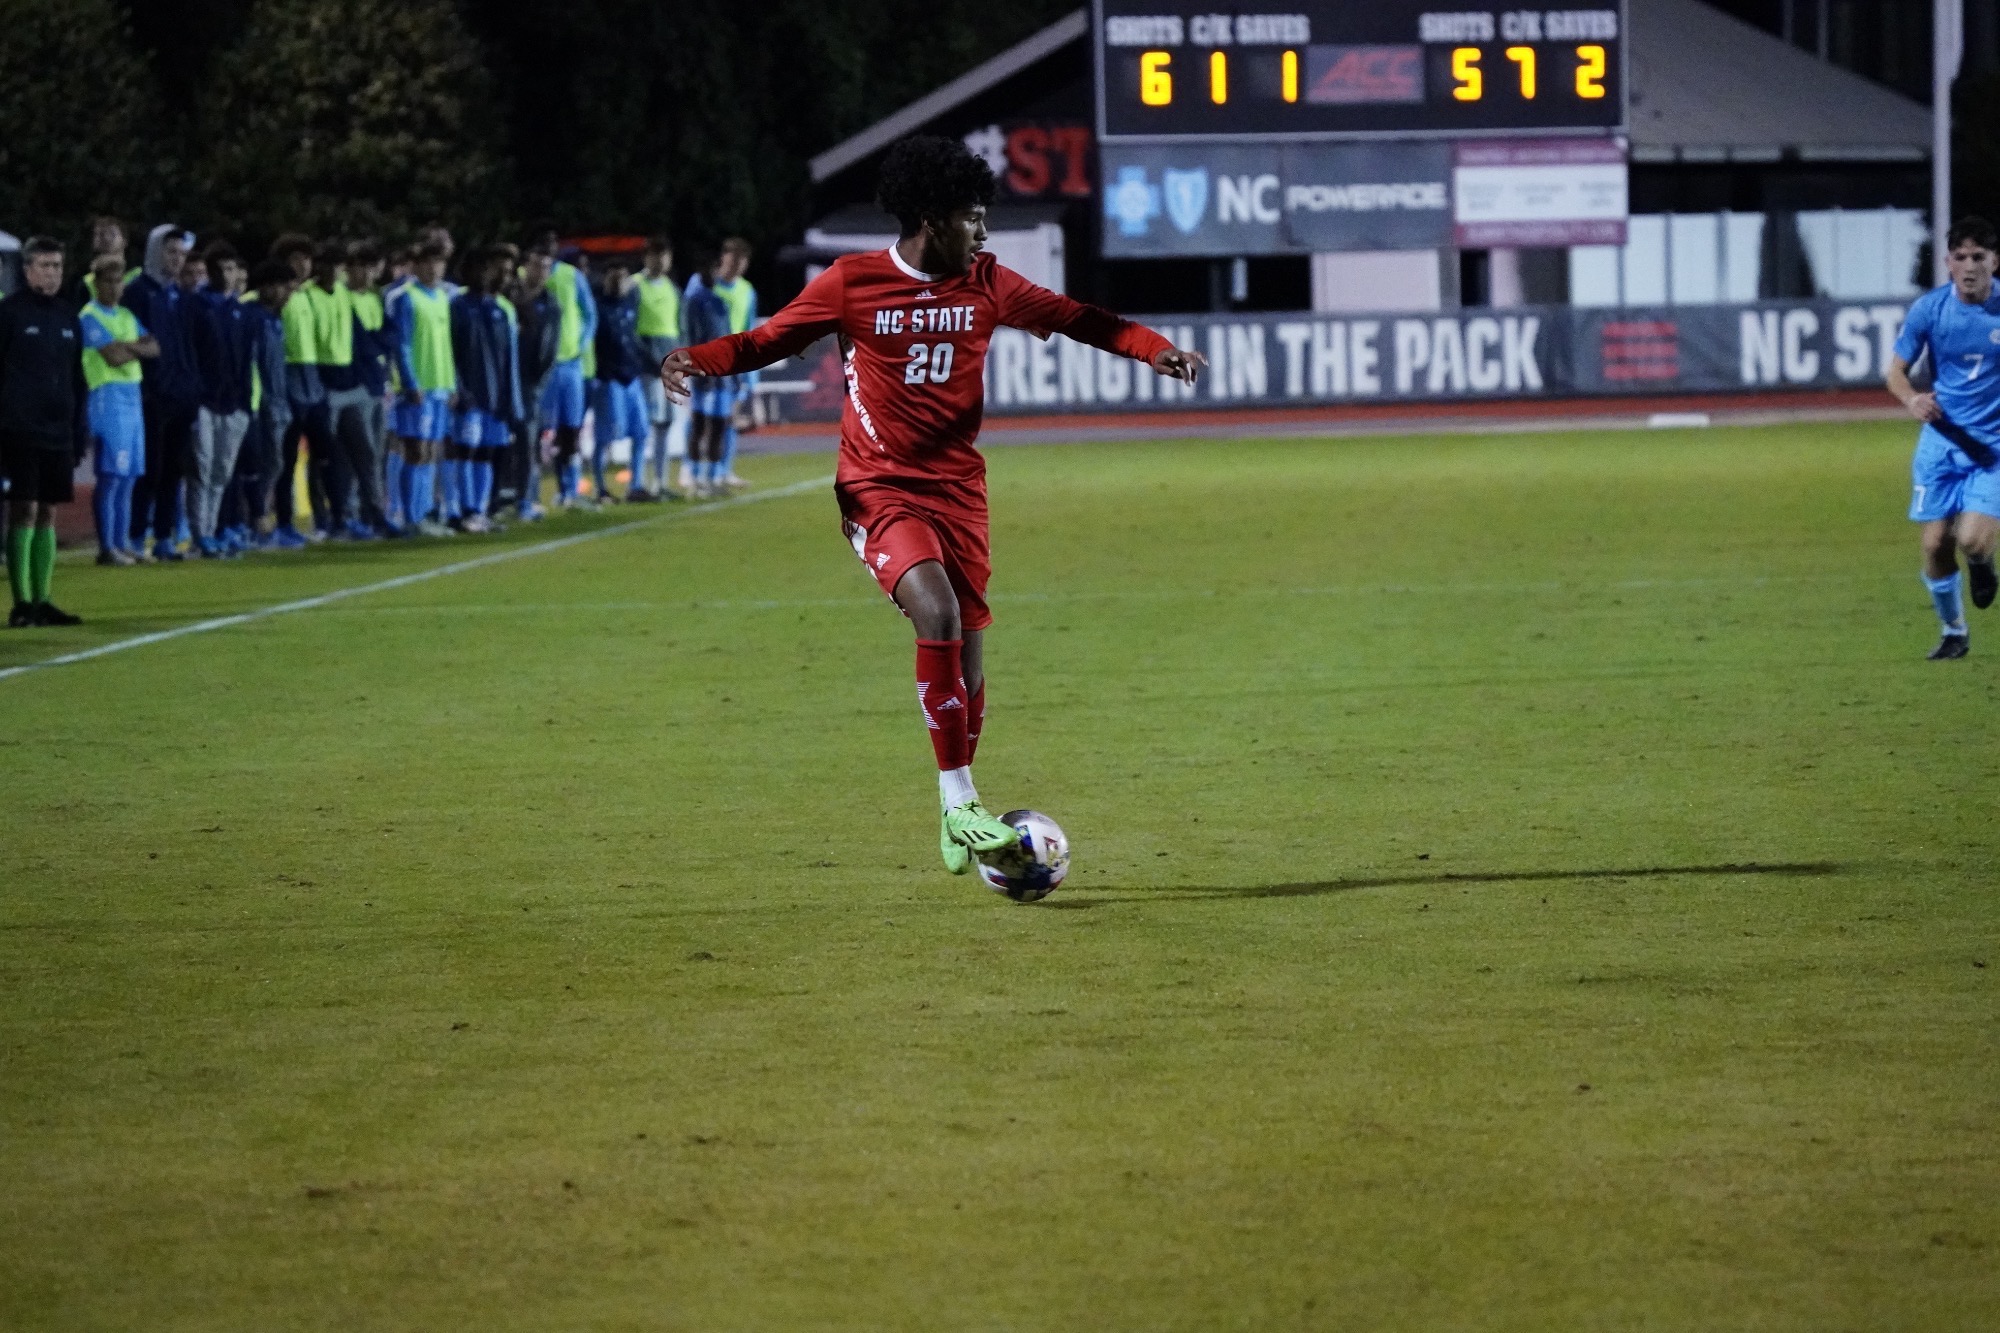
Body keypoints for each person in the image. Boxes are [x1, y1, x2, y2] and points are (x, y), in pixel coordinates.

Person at [663, 135, 1205, 873]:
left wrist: (1153, 347)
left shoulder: (987, 283)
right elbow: (769, 341)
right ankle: (958, 799)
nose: (984, 233)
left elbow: (1080, 317)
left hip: (959, 493)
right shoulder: (851, 283)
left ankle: (959, 813)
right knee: (938, 611)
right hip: (876, 488)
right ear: (930, 218)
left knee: (970, 668)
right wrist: (696, 357)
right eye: (974, 217)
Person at [1886, 215, 2000, 660]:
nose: (1969, 266)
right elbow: (1895, 373)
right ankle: (1954, 631)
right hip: (1941, 443)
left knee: (1970, 540)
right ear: (1947, 263)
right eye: (1960, 257)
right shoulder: (1930, 310)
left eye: (1979, 257)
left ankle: (1981, 563)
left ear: (1996, 261)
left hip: (1992, 449)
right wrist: (1913, 400)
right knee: (1934, 545)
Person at [0, 237, 90, 626]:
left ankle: (43, 598)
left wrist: (77, 425)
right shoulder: (9, 314)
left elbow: (76, 377)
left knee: (49, 511)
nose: (52, 273)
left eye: (57, 266)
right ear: (27, 269)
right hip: (19, 429)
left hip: (58, 429)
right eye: (45, 265)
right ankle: (21, 603)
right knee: (25, 508)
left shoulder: (69, 316)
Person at [122, 224, 201, 562]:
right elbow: (136, 344)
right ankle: (136, 535)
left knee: (173, 469)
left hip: (181, 395)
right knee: (149, 469)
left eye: (182, 255)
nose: (177, 261)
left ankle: (164, 537)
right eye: (171, 252)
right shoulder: (137, 292)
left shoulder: (178, 296)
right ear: (156, 252)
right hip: (151, 396)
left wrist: (192, 386)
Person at [80, 256, 158, 565]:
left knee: (128, 476)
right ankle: (107, 547)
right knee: (111, 475)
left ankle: (122, 543)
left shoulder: (125, 314)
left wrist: (129, 348)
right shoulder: (88, 316)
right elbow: (113, 358)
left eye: (118, 281)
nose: (115, 287)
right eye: (108, 281)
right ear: (97, 284)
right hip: (107, 396)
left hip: (132, 396)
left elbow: (154, 347)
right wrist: (133, 348)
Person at [186, 241, 256, 558]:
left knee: (222, 471)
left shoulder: (238, 310)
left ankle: (211, 531)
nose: (227, 275)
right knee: (202, 468)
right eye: (221, 269)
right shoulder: (198, 308)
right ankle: (200, 534)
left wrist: (244, 402)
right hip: (205, 401)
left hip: (233, 404)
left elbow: (245, 361)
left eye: (231, 269)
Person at [450, 245, 524, 533]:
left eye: (487, 270)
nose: (484, 275)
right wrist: (458, 387)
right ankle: (465, 510)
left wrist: (511, 398)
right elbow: (450, 351)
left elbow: (508, 360)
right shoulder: (457, 307)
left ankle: (479, 510)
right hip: (470, 396)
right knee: (467, 451)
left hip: (496, 398)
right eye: (478, 269)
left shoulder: (498, 310)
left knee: (488, 453)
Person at [526, 228, 597, 509]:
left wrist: (579, 343)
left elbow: (589, 314)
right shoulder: (524, 278)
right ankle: (528, 494)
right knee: (537, 432)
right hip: (540, 369)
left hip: (570, 366)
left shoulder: (571, 275)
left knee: (571, 431)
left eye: (552, 244)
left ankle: (569, 491)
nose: (548, 248)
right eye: (543, 243)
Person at [392, 242, 457, 537]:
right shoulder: (408, 299)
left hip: (439, 386)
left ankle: (424, 512)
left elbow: (446, 346)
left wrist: (451, 383)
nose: (434, 268)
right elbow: (402, 345)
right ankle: (411, 517)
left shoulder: (442, 298)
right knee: (415, 451)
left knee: (431, 451)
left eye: (439, 263)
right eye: (428, 262)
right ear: (416, 266)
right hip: (419, 387)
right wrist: (410, 382)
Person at [237, 261, 297, 546]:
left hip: (277, 402)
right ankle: (252, 520)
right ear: (268, 287)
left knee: (274, 464)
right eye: (285, 287)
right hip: (259, 404)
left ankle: (258, 519)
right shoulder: (253, 317)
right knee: (260, 464)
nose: (289, 294)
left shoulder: (274, 317)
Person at [269, 233, 323, 548]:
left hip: (310, 376)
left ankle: (322, 517)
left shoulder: (307, 296)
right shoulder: (274, 300)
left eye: (306, 259)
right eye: (296, 259)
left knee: (321, 452)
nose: (303, 265)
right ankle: (279, 521)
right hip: (286, 377)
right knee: (283, 456)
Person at [344, 242, 396, 531]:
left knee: (376, 453)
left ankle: (372, 512)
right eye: (361, 266)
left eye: (372, 267)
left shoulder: (375, 299)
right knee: (356, 454)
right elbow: (361, 342)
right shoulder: (344, 299)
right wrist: (376, 342)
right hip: (355, 385)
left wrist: (376, 343)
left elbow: (391, 336)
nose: (367, 274)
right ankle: (351, 514)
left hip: (377, 386)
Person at [592, 257, 650, 503]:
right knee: (606, 437)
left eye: (622, 278)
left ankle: (635, 485)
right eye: (613, 277)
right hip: (609, 379)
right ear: (605, 279)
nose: (618, 283)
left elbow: (632, 338)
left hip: (631, 377)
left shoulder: (630, 302)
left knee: (641, 431)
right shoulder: (597, 307)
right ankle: (601, 488)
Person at [508, 247, 561, 521]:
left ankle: (525, 500)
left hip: (530, 383)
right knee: (495, 443)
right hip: (504, 381)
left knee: (528, 443)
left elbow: (551, 348)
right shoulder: (509, 296)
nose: (540, 271)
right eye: (536, 265)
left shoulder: (551, 303)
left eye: (545, 267)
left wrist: (540, 380)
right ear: (525, 266)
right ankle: (497, 499)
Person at [678, 252, 734, 499]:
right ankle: (694, 478)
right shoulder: (694, 301)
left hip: (723, 374)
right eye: (710, 271)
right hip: (704, 373)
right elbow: (691, 337)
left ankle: (712, 478)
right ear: (702, 273)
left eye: (716, 270)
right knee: (701, 425)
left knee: (720, 425)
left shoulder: (718, 301)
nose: (714, 275)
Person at [634, 236, 685, 501]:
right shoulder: (635, 285)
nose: (661, 260)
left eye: (665, 255)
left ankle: (661, 482)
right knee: (646, 425)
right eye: (656, 254)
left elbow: (679, 328)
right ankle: (638, 483)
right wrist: (650, 361)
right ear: (647, 258)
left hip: (669, 368)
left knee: (665, 424)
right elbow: (631, 330)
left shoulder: (672, 289)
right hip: (648, 369)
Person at [710, 236, 758, 490]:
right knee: (706, 419)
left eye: (742, 260)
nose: (737, 265)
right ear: (723, 258)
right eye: (733, 259)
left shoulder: (747, 290)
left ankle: (724, 470)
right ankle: (695, 469)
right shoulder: (709, 286)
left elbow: (749, 329)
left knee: (730, 418)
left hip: (735, 363)